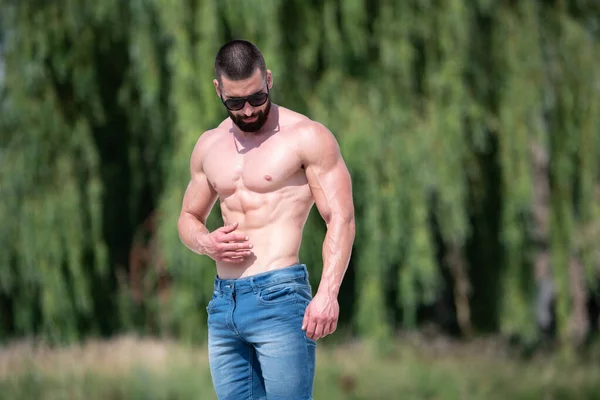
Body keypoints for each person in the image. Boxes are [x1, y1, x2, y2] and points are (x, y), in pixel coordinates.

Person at [177, 39, 355, 400]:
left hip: (280, 297)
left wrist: (327, 294)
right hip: (224, 304)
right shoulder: (209, 145)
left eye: (257, 98)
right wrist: (205, 243)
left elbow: (341, 216)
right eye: (235, 102)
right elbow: (188, 217)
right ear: (218, 90)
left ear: (268, 79)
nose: (247, 111)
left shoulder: (306, 136)